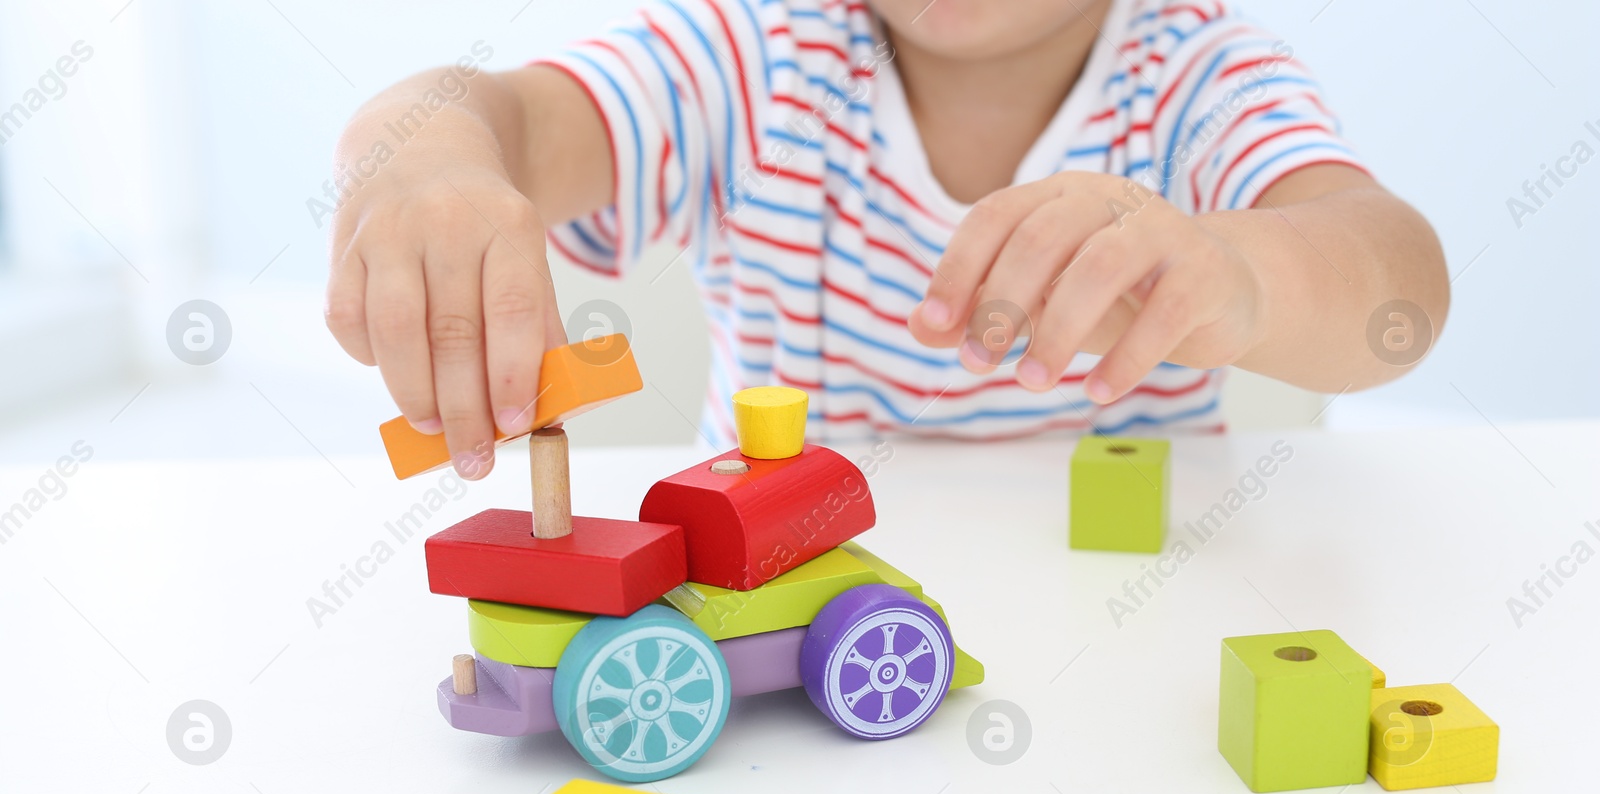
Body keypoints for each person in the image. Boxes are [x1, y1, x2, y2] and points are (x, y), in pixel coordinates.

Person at [325, 0, 1448, 477]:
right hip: (790, 608)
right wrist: (426, 157)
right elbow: (504, 115)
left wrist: (1242, 274)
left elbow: (1396, 285)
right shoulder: (753, 54)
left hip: (1119, 613)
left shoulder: (1198, 75)